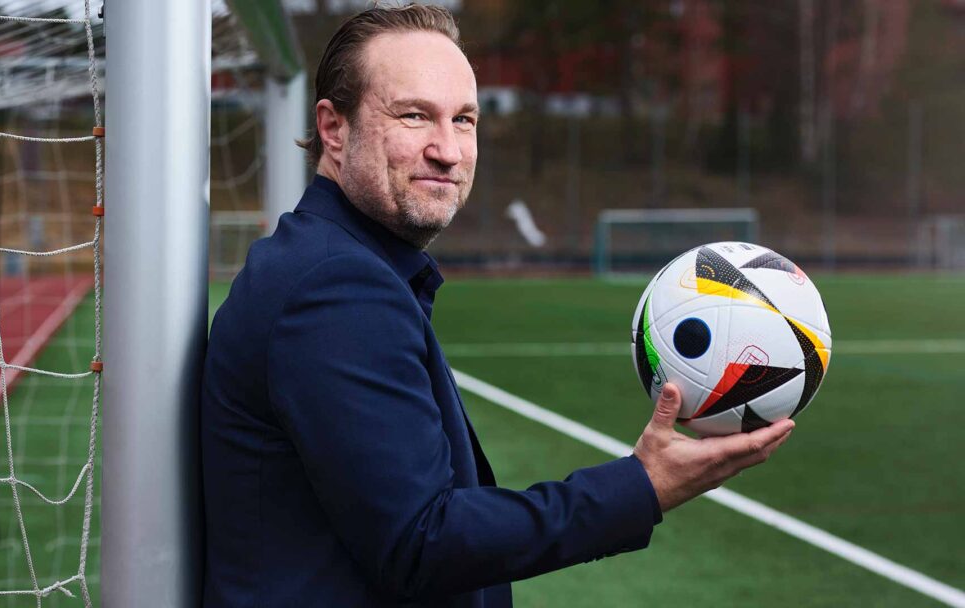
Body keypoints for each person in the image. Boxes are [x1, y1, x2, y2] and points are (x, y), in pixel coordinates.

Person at [200, 5, 794, 607]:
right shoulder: (333, 287)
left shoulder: (332, 264)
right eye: (414, 116)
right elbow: (421, 543)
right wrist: (643, 486)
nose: (448, 150)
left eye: (464, 119)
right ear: (333, 128)